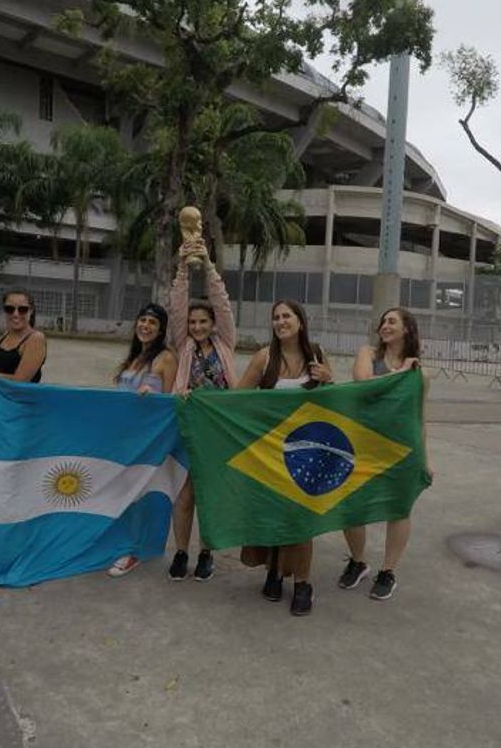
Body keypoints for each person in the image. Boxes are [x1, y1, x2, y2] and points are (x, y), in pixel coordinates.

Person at [235, 299, 334, 616]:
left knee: (302, 519)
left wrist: (329, 380)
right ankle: (275, 572)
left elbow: (335, 405)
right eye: (276, 317)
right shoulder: (264, 357)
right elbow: (236, 400)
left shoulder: (316, 355)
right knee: (275, 514)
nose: (280, 321)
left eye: (286, 315)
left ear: (300, 321)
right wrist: (195, 397)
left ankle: (303, 583)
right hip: (270, 454)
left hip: (307, 454)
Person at [338, 307, 430, 601]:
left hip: (403, 450)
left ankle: (388, 570)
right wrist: (399, 375)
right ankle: (358, 560)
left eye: (392, 321)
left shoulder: (419, 374)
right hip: (363, 446)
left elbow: (420, 418)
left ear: (407, 329)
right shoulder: (368, 355)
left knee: (399, 509)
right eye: (383, 321)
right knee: (351, 505)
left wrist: (425, 460)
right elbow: (362, 385)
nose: (385, 326)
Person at [165, 244, 236, 582]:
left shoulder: (225, 344)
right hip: (189, 428)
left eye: (203, 321)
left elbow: (221, 301)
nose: (196, 326)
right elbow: (177, 307)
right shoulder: (183, 346)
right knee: (186, 493)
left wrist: (207, 265)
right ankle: (181, 553)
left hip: (218, 432)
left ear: (213, 324)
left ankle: (206, 553)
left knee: (209, 494)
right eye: (192, 322)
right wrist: (183, 268)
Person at [108, 302, 178, 577]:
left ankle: (134, 551)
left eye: (152, 323)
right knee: (124, 491)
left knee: (139, 493)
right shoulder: (134, 357)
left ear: (160, 330)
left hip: (147, 439)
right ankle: (128, 543)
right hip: (124, 436)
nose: (145, 326)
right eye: (143, 320)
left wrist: (155, 396)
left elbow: (170, 401)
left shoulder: (165, 358)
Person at [0, 290, 47, 383]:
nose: (15, 314)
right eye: (10, 309)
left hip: (19, 397)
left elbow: (20, 382)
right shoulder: (6, 334)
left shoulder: (35, 339)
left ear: (31, 311)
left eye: (22, 309)